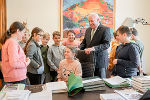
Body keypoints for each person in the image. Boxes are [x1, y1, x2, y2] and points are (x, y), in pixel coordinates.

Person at [80, 13, 111, 78]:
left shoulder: (105, 29)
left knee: (100, 82)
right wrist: (79, 49)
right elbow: (84, 43)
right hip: (89, 61)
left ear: (98, 20)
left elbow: (107, 44)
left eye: (92, 21)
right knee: (90, 81)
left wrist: (94, 48)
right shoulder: (88, 30)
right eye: (89, 21)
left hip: (100, 61)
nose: (90, 23)